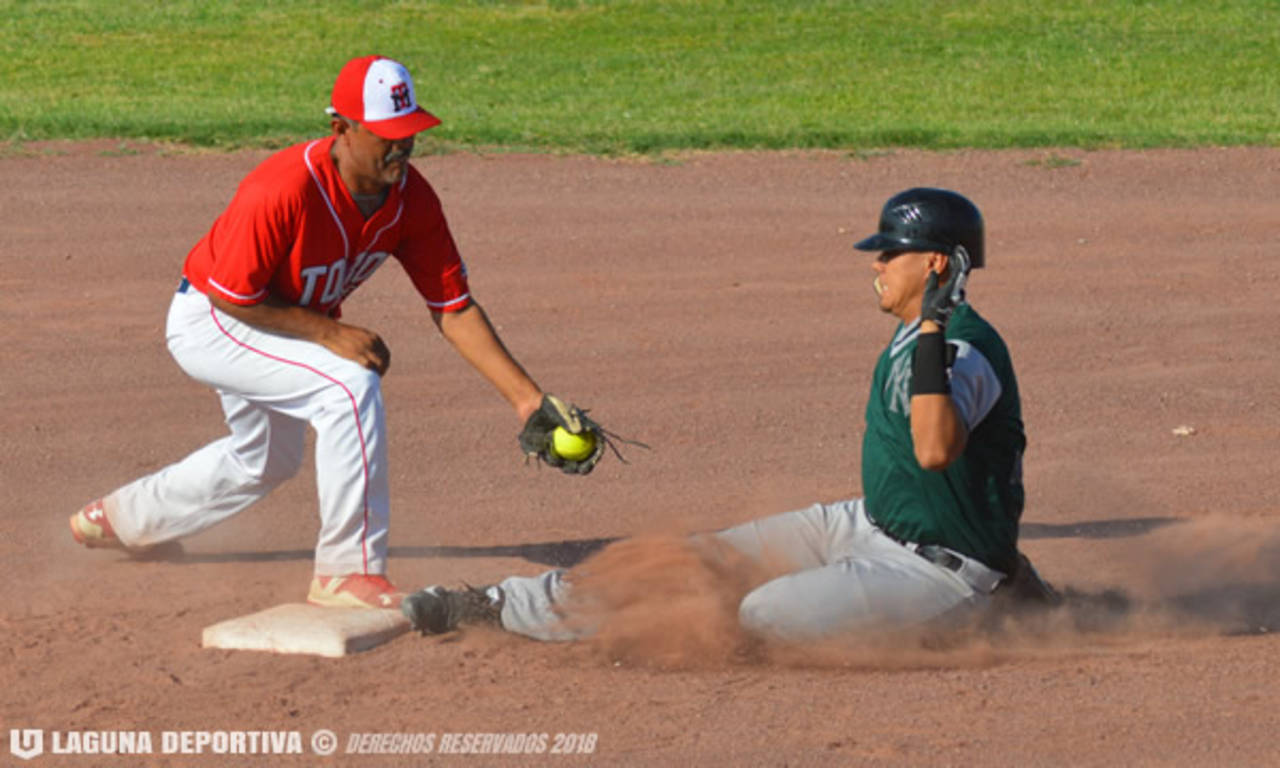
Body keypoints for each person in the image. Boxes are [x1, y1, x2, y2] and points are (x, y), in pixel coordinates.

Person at [402, 187, 1055, 642]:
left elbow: (935, 451)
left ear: (937, 264)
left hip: (939, 570)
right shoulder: (917, 333)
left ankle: (995, 607)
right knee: (693, 561)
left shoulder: (964, 350)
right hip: (867, 523)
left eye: (892, 252)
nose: (877, 263)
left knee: (767, 614)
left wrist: (936, 324)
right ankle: (499, 605)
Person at [69, 55, 605, 610]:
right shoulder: (283, 188)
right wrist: (327, 333)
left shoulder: (412, 200)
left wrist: (526, 399)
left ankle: (122, 519)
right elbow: (233, 295)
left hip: (277, 324)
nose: (401, 146)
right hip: (215, 320)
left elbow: (452, 307)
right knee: (348, 384)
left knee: (266, 460)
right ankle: (346, 571)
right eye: (386, 135)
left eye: (409, 132)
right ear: (341, 129)